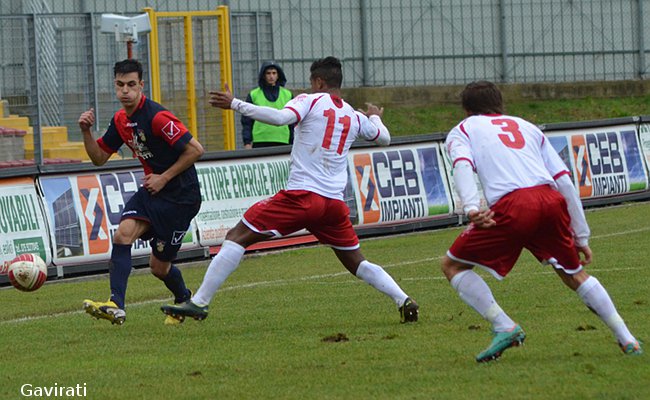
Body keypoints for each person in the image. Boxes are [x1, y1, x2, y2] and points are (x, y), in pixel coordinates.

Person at [161, 56, 419, 324]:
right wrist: (375, 117)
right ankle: (403, 299)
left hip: (303, 197)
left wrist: (235, 104)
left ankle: (199, 303)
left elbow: (280, 117)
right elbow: (384, 138)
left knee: (236, 236)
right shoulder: (353, 115)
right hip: (333, 205)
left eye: (311, 81)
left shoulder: (310, 100)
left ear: (318, 81)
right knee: (357, 262)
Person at [442, 80, 642, 362]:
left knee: (452, 265)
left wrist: (472, 207)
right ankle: (627, 339)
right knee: (574, 274)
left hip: (513, 205)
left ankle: (504, 325)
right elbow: (564, 180)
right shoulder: (528, 127)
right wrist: (581, 235)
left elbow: (462, 164)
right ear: (500, 104)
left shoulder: (463, 130)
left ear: (466, 109)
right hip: (550, 200)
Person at [78, 59, 204, 325]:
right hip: (153, 191)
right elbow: (99, 157)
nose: (125, 91)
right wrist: (86, 132)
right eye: (120, 85)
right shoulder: (121, 120)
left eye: (131, 85)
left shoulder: (157, 117)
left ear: (141, 86)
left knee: (159, 268)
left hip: (182, 197)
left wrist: (164, 177)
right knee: (123, 234)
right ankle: (116, 304)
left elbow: (196, 150)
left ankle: (184, 299)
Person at [241, 61, 294, 148]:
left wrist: (293, 141)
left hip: (283, 140)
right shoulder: (254, 94)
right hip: (260, 140)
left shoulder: (287, 95)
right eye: (268, 73)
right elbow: (247, 121)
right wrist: (247, 142)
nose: (271, 76)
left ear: (278, 75)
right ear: (263, 75)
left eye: (274, 73)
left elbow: (292, 122)